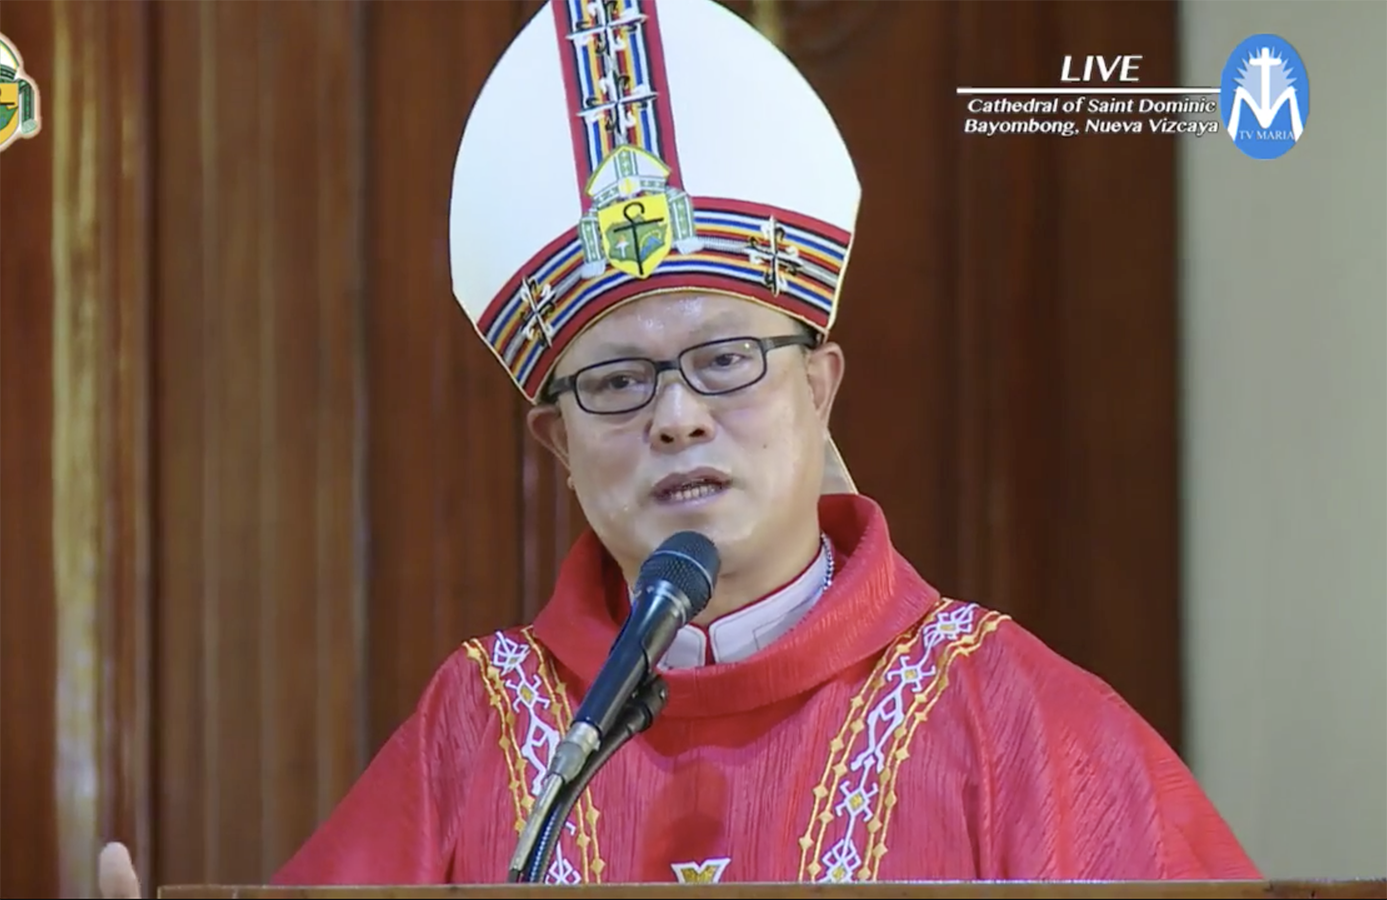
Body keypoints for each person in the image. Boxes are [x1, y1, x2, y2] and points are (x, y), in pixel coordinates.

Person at [98, 0, 1262, 893]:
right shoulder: (486, 730)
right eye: (616, 380)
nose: (675, 415)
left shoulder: (1011, 720)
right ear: (556, 443)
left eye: (726, 360)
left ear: (820, 385)